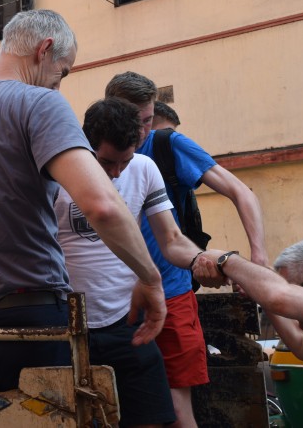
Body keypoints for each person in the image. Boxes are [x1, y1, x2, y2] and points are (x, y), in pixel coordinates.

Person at [0, 10, 165, 397]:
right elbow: (102, 205)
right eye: (64, 71)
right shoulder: (41, 103)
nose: (60, 84)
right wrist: (150, 278)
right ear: (45, 50)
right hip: (28, 315)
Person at [106, 71, 267, 427]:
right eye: (135, 123)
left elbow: (241, 191)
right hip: (112, 301)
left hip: (172, 292)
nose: (142, 131)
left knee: (179, 411)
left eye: (148, 120)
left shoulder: (166, 146)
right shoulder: (93, 155)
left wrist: (259, 258)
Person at [56, 99, 224, 427]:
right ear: (85, 146)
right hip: (65, 324)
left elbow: (171, 240)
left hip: (126, 320)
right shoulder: (58, 175)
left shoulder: (144, 169)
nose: (117, 172)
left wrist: (203, 259)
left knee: (155, 418)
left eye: (124, 161)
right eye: (106, 163)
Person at [193, 240, 303, 428]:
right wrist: (256, 288)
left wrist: (224, 259)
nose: (289, 312)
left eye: (293, 290)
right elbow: (300, 344)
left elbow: (278, 296)